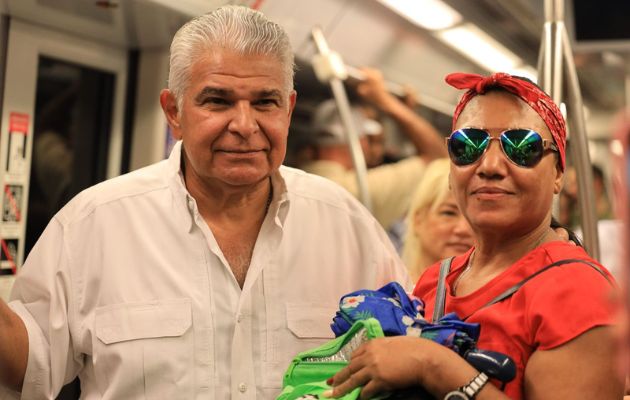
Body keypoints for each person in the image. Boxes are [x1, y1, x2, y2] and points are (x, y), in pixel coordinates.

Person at [0, 6, 410, 399]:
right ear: (173, 111)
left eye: (265, 102)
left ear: (288, 110)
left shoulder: (347, 226)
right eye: (218, 101)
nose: (245, 126)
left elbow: (407, 352)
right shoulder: (95, 223)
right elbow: (32, 364)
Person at [326, 72, 622, 399]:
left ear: (557, 174)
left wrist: (434, 365)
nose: (490, 165)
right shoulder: (434, 282)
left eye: (522, 147)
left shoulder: (578, 293)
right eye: (467, 146)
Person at [300, 68, 447, 231]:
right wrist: (386, 101)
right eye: (372, 139)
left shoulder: (299, 177)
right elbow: (438, 157)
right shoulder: (355, 189)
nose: (377, 150)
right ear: (359, 140)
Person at [402, 158, 474, 282]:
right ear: (417, 219)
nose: (463, 229)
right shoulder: (389, 292)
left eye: (473, 218)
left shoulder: (502, 296)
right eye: (449, 213)